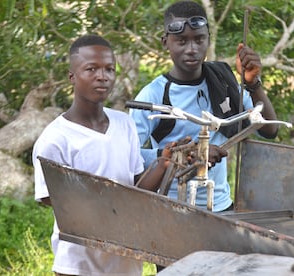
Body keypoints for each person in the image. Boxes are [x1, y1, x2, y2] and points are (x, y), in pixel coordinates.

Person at [33, 34, 174, 276]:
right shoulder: (56, 138)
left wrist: (164, 163)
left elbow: (137, 192)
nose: (103, 76)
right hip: (78, 266)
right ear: (72, 77)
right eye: (91, 69)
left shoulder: (124, 124)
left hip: (126, 262)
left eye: (110, 69)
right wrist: (114, 205)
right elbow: (56, 201)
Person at [130, 0, 278, 213]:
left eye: (199, 40)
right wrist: (178, 153)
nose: (191, 49)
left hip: (221, 208)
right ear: (165, 42)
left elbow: (270, 129)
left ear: (208, 39)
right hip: (173, 208)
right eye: (181, 41)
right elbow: (130, 156)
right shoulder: (153, 95)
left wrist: (253, 83)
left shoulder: (223, 82)